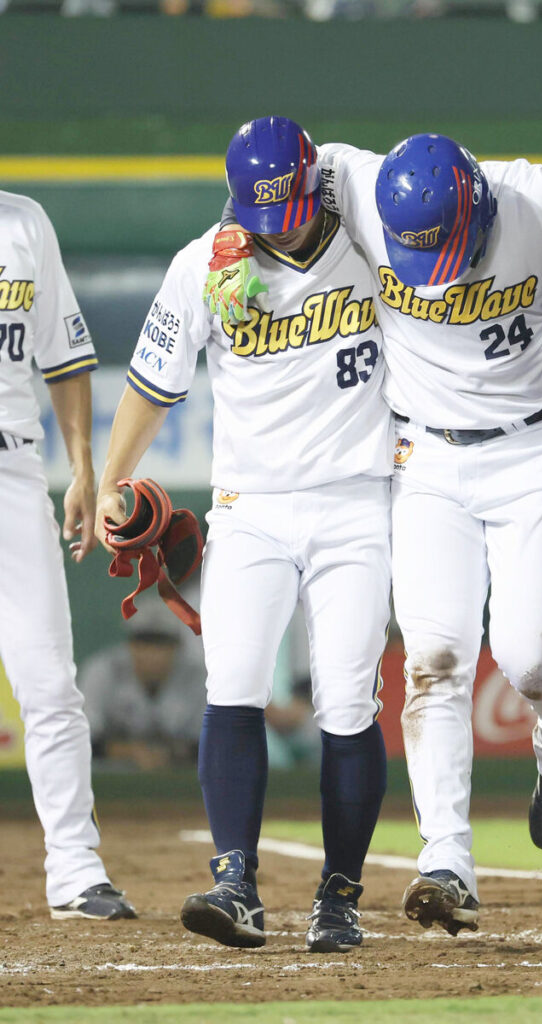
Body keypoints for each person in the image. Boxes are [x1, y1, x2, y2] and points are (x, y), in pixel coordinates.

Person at [206, 132, 542, 936]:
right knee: (433, 660)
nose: (436, 276)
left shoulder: (537, 196)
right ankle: (446, 860)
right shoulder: (354, 180)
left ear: (477, 205)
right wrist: (230, 233)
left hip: (531, 445)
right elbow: (272, 174)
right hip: (423, 455)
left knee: (524, 654)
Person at [94, 117, 393, 953]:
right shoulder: (205, 263)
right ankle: (236, 883)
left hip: (356, 500)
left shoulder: (368, 234)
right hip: (251, 505)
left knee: (347, 698)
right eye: (262, 216)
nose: (281, 228)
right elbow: (150, 382)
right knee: (231, 685)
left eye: (290, 209)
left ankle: (339, 896)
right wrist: (113, 480)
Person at [0, 189, 136, 921]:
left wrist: (83, 468)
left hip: (13, 472)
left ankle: (75, 867)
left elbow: (65, 355)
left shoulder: (24, 222)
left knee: (50, 682)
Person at [78, 595, 207, 770]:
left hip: (179, 780)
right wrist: (129, 752)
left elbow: (212, 744)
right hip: (111, 778)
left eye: (161, 644)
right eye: (144, 642)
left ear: (177, 647)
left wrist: (169, 753)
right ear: (130, 644)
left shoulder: (197, 677)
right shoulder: (102, 672)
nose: (152, 653)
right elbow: (82, 739)